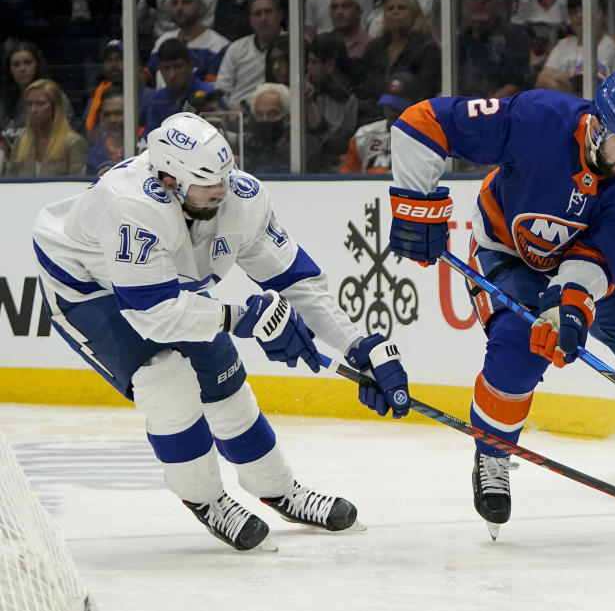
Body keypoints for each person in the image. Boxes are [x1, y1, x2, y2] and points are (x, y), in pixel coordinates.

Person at [383, 71, 615, 538]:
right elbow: (422, 122)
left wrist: (571, 306)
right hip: (508, 252)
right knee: (518, 349)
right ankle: (493, 455)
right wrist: (416, 204)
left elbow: (600, 256)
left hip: (597, 270)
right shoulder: (537, 118)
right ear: (598, 127)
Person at [32, 112, 411, 551]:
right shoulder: (133, 206)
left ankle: (278, 487)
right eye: (206, 182)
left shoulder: (240, 198)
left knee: (224, 376)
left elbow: (297, 281)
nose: (222, 190)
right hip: (85, 285)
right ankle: (207, 499)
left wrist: (358, 343)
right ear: (169, 179)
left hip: (160, 286)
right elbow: (150, 312)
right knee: (166, 382)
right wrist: (240, 318)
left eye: (225, 177)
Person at [356, 0, 441, 109]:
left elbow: (425, 89)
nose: (395, 12)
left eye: (401, 8)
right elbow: (364, 84)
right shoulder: (374, 47)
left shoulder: (427, 47)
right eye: (390, 8)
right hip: (373, 112)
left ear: (415, 14)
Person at [146, 0, 230, 89]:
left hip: (198, 105)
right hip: (163, 104)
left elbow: (211, 93)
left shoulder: (220, 46)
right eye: (174, 3)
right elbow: (146, 79)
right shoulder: (163, 41)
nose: (179, 8)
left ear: (201, 7)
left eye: (186, 2)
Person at [535, 0, 615, 94]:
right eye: (574, 12)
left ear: (603, 15)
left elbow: (592, 87)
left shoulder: (610, 46)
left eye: (586, 10)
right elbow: (542, 81)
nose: (580, 16)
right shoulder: (563, 44)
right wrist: (576, 85)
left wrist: (556, 76)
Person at [215, 0, 285, 111]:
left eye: (268, 12)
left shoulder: (295, 44)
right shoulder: (236, 48)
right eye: (258, 14)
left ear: (280, 15)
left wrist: (247, 105)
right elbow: (222, 90)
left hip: (277, 111)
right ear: (250, 19)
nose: (263, 18)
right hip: (236, 116)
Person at [4, 79, 88, 177]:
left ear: (55, 107)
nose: (33, 110)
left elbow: (76, 185)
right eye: (30, 104)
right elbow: (9, 181)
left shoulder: (73, 143)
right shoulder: (20, 141)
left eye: (40, 104)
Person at [340, 71, 419, 173]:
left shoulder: (430, 139)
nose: (394, 112)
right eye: (389, 106)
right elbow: (347, 177)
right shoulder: (364, 135)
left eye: (400, 107)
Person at [144, 38, 218, 134]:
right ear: (160, 71)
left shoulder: (209, 95)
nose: (172, 75)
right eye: (166, 68)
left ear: (191, 66)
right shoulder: (156, 100)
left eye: (178, 66)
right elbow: (150, 140)